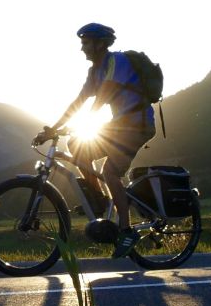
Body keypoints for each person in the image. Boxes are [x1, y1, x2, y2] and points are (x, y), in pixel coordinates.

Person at [36, 22, 157, 258]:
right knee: (77, 147)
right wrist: (54, 129)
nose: (82, 48)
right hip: (121, 125)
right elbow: (78, 101)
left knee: (109, 172)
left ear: (100, 44)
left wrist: (85, 121)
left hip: (138, 124)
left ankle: (126, 230)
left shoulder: (116, 62)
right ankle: (99, 200)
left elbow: (104, 95)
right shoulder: (94, 71)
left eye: (86, 43)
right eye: (82, 43)